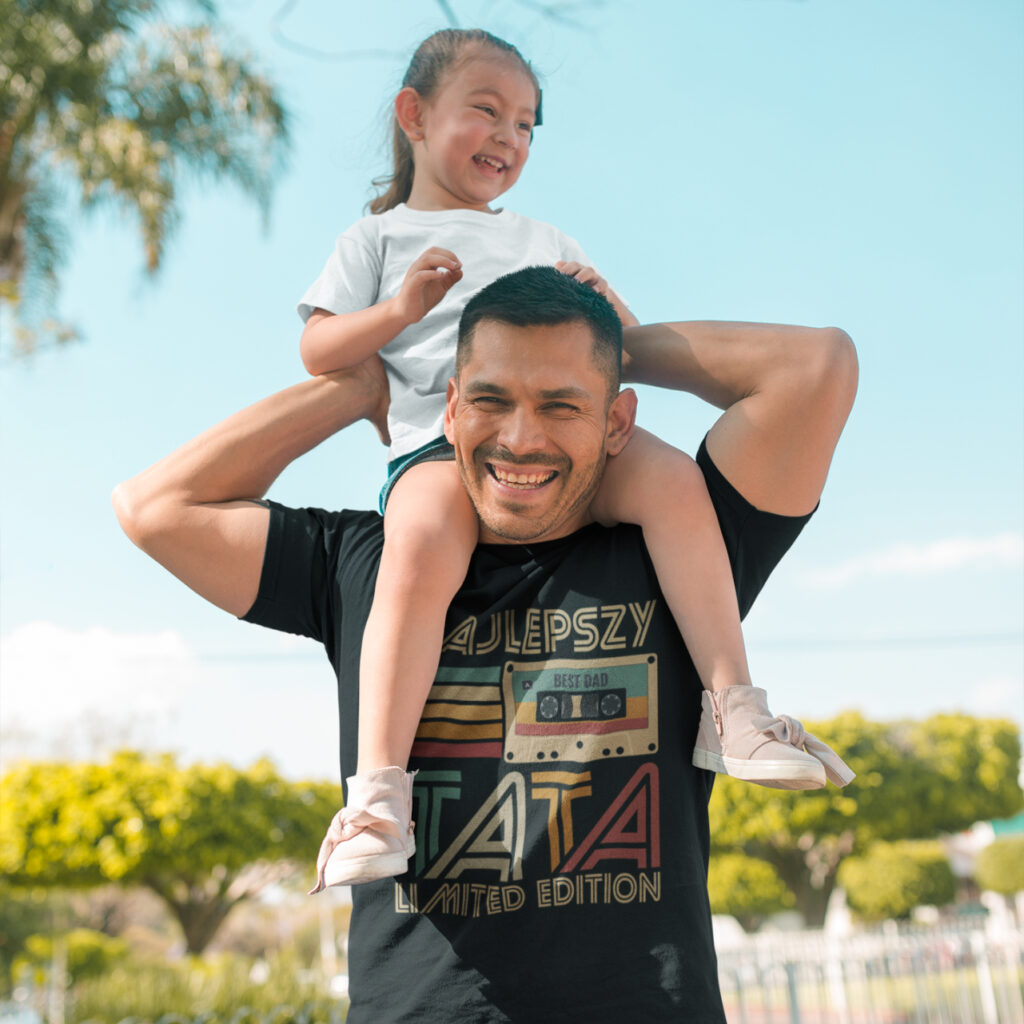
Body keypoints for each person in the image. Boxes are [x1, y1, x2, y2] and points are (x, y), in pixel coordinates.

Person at [113, 265, 858, 1022]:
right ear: (450, 410)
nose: (520, 439)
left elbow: (815, 366)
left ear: (617, 423)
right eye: (490, 400)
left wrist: (618, 345)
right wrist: (355, 391)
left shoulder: (683, 553)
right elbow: (154, 507)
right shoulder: (369, 566)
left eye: (562, 404)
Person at [296, 28, 849, 888]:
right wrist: (400, 311)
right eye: (487, 111)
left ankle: (734, 706)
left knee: (672, 480)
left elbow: (610, 350)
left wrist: (615, 313)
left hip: (570, 450)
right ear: (414, 114)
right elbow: (318, 350)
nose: (508, 137)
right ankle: (377, 794)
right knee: (415, 550)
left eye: (526, 125)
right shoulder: (376, 240)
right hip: (443, 452)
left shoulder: (544, 237)